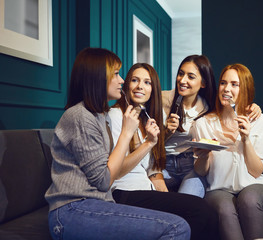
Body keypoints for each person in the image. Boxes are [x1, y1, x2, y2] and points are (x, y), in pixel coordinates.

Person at [45, 48, 191, 240]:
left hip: (98, 204)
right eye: (116, 74)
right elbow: (105, 181)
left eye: (147, 82)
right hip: (72, 210)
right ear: (97, 78)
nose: (121, 80)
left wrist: (154, 138)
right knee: (177, 227)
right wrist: (127, 133)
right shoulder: (80, 117)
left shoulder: (97, 116)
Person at [108, 63, 220, 240]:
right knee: (201, 211)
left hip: (145, 188)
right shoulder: (116, 115)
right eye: (134, 80)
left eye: (147, 83)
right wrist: (149, 143)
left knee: (203, 213)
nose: (140, 87)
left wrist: (166, 197)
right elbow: (116, 171)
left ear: (153, 90)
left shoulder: (145, 118)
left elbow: (153, 169)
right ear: (126, 84)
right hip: (124, 192)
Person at [191, 63, 263, 240]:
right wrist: (204, 155)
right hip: (219, 189)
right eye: (223, 83)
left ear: (245, 89)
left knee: (249, 200)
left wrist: (246, 139)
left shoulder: (258, 121)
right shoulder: (203, 124)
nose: (226, 89)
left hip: (255, 186)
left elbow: (256, 171)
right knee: (225, 208)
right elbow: (200, 171)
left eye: (234, 84)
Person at [162, 55, 262, 198]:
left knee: (188, 202)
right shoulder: (162, 100)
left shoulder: (208, 106)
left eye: (191, 76)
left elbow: (232, 99)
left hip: (191, 164)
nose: (182, 80)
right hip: (163, 163)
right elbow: (147, 142)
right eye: (181, 74)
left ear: (203, 83)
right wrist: (167, 132)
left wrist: (253, 106)